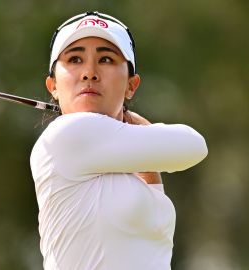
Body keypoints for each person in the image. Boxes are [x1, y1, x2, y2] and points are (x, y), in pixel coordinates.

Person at [30, 11, 208, 270]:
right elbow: (194, 146)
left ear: (131, 85)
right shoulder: (67, 134)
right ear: (53, 86)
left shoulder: (130, 170)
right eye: (75, 59)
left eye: (105, 59)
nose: (89, 72)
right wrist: (138, 123)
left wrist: (134, 128)